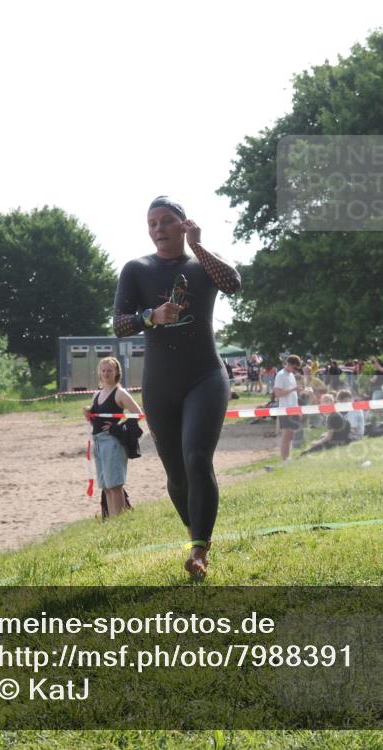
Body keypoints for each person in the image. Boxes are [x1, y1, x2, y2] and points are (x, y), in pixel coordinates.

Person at [113, 196, 241, 580]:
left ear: (183, 225)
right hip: (160, 384)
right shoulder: (136, 269)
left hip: (205, 376)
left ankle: (199, 549)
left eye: (166, 221)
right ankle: (194, 534)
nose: (158, 229)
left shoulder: (201, 265)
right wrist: (150, 316)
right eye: (152, 223)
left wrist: (199, 245)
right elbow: (119, 324)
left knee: (197, 457)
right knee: (176, 475)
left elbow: (233, 284)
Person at [83, 357, 144, 518]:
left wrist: (118, 427)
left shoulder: (120, 393)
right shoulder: (97, 394)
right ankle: (112, 521)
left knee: (115, 485)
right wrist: (88, 413)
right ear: (99, 372)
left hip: (113, 443)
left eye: (110, 370)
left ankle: (120, 521)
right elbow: (95, 419)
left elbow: (138, 413)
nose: (106, 373)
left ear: (117, 372)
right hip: (98, 442)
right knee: (106, 486)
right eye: (103, 370)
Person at [271, 355, 304, 464]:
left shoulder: (291, 375)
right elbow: (277, 394)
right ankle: (284, 459)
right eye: (295, 368)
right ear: (289, 364)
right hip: (285, 409)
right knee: (286, 436)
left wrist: (298, 409)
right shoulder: (280, 375)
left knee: (291, 436)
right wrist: (293, 389)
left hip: (293, 409)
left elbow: (293, 394)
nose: (295, 370)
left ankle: (287, 458)